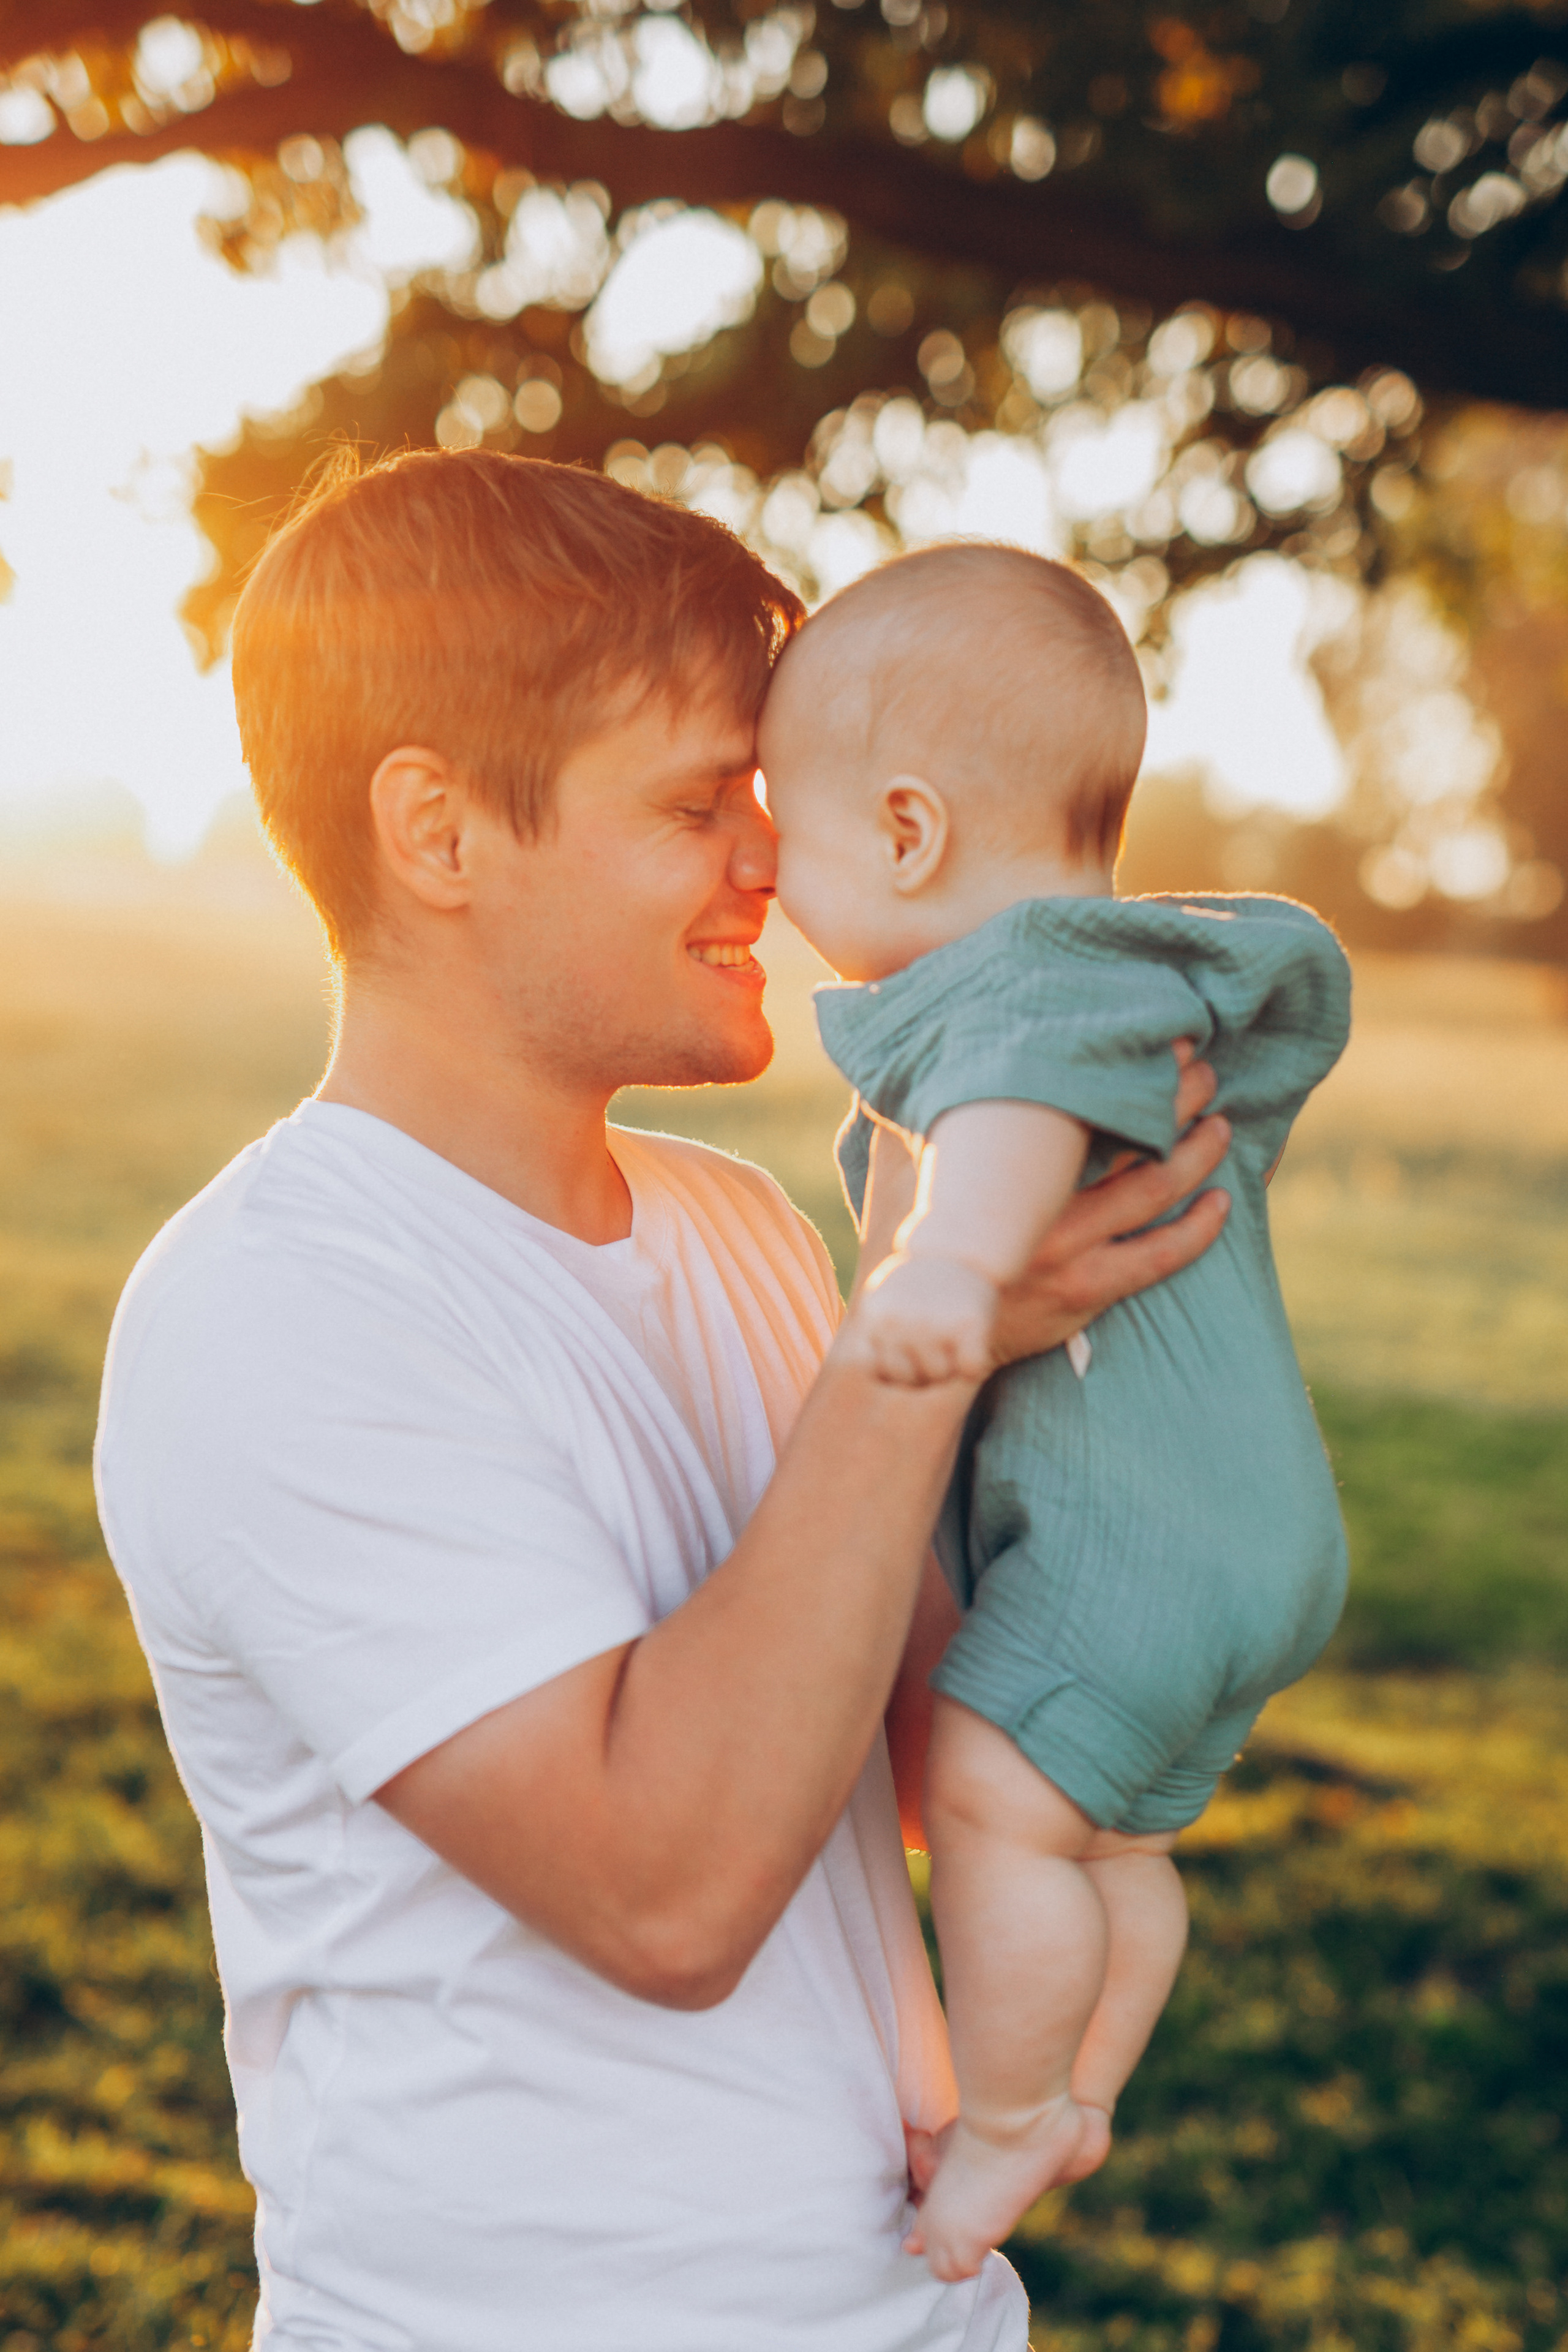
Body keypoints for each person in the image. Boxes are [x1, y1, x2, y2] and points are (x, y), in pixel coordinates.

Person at [94, 450, 1233, 2352]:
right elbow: (669, 1892)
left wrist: (1132, 1394)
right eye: (705, 805)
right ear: (440, 835)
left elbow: (916, 1755)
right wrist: (917, 1348)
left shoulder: (740, 1231)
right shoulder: (271, 1305)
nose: (779, 860)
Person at [758, 541, 1351, 2284]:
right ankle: (1084, 2087)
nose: (765, 870)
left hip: (1131, 1555)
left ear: (909, 833)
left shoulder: (1018, 989)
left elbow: (1003, 1118)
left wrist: (944, 1271)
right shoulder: (1128, 976)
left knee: (1000, 1799)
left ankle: (1012, 2116)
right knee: (1121, 1832)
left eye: (783, 826)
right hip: (1258, 1543)